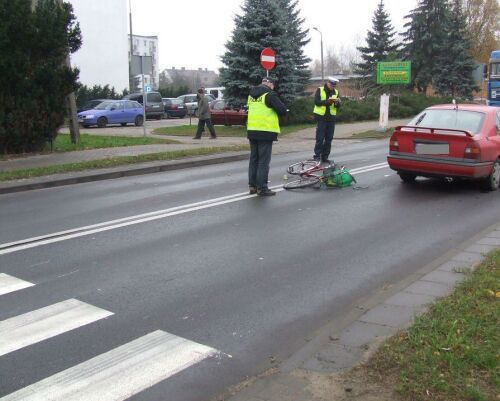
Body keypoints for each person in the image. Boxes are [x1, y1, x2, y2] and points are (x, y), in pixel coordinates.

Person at [247, 77, 287, 196]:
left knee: (254, 159)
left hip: (252, 130)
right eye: (273, 85)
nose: (273, 88)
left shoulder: (251, 95)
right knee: (263, 161)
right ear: (269, 84)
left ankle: (252, 186)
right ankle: (262, 188)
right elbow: (282, 110)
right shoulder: (269, 95)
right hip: (265, 131)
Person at [312, 76, 341, 163]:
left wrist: (338, 103)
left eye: (334, 86)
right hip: (321, 118)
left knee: (329, 139)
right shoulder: (320, 90)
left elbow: (336, 107)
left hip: (331, 118)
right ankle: (317, 156)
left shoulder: (336, 92)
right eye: (332, 85)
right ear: (328, 83)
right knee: (320, 138)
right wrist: (327, 102)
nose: (333, 87)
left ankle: (325, 157)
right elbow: (316, 102)